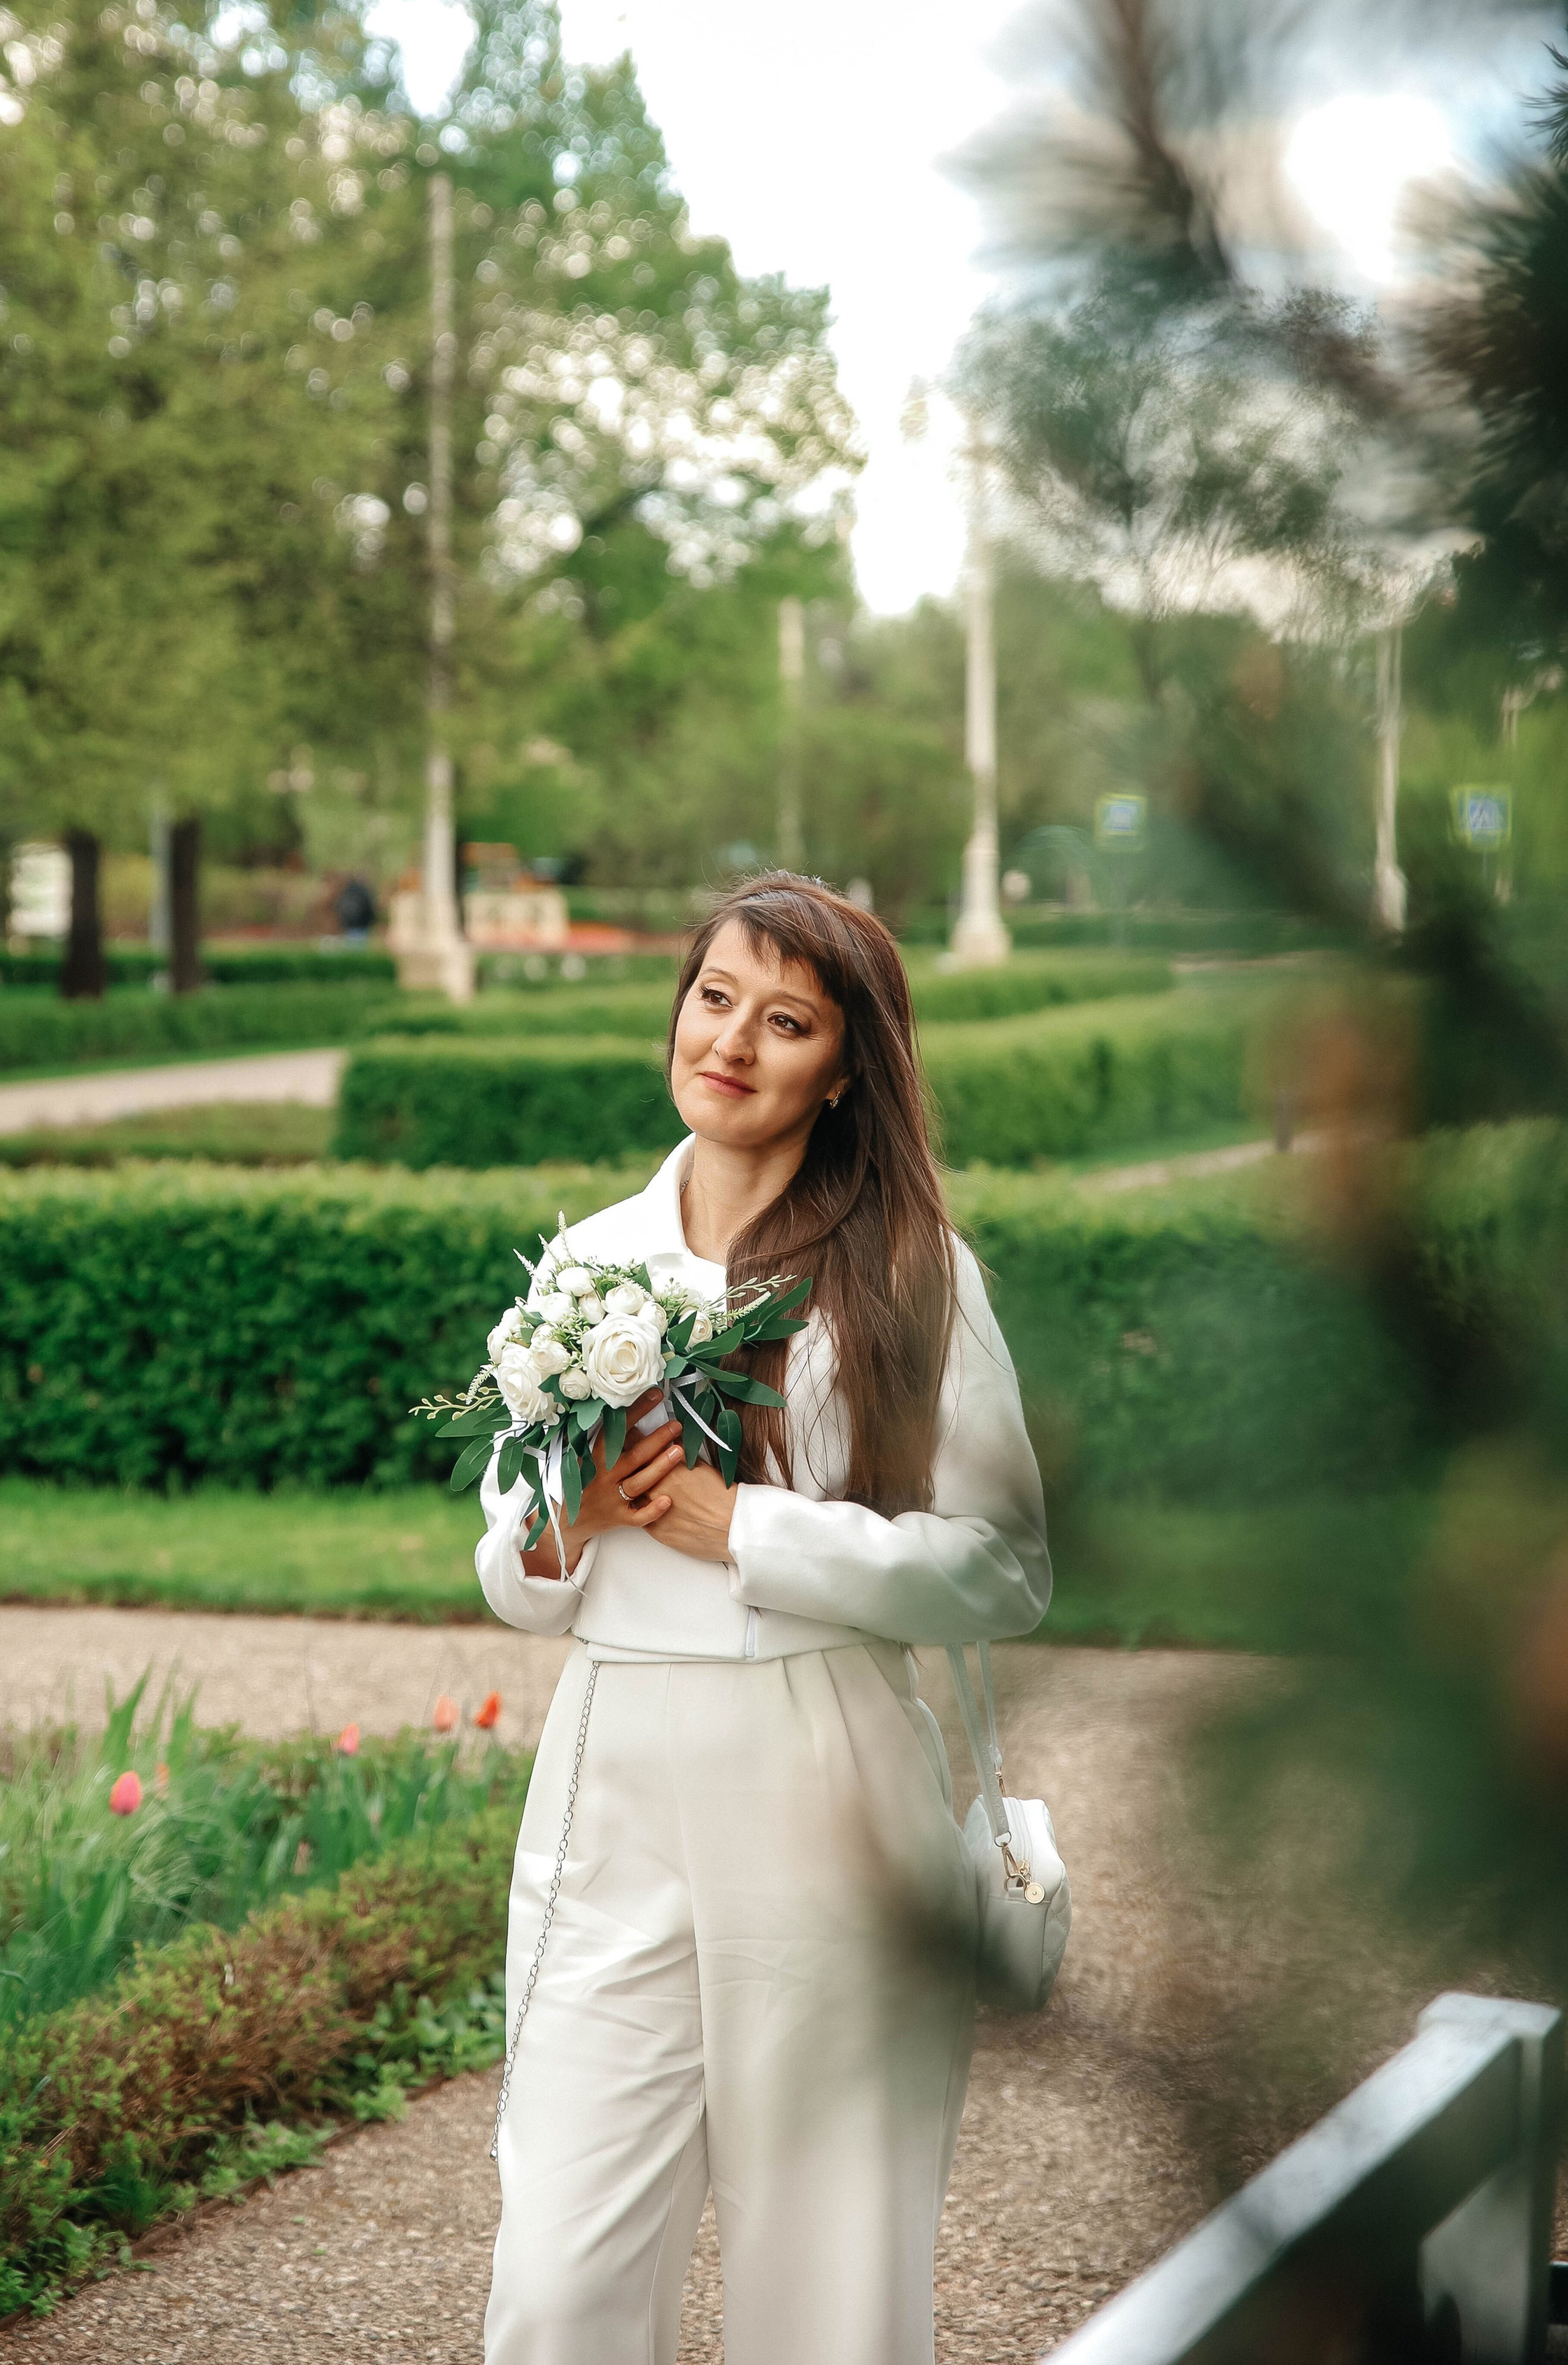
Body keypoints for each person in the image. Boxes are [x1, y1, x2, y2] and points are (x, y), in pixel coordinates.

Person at [474, 875, 1050, 2364]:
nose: (729, 1040)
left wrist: (757, 1532)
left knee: (827, 2288)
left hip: (824, 1780)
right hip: (609, 1773)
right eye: (713, 997)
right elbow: (509, 1565)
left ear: (844, 1066)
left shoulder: (909, 1273)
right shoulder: (583, 1261)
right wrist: (563, 1524)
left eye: (783, 1019)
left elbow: (1001, 1564)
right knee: (555, 2281)